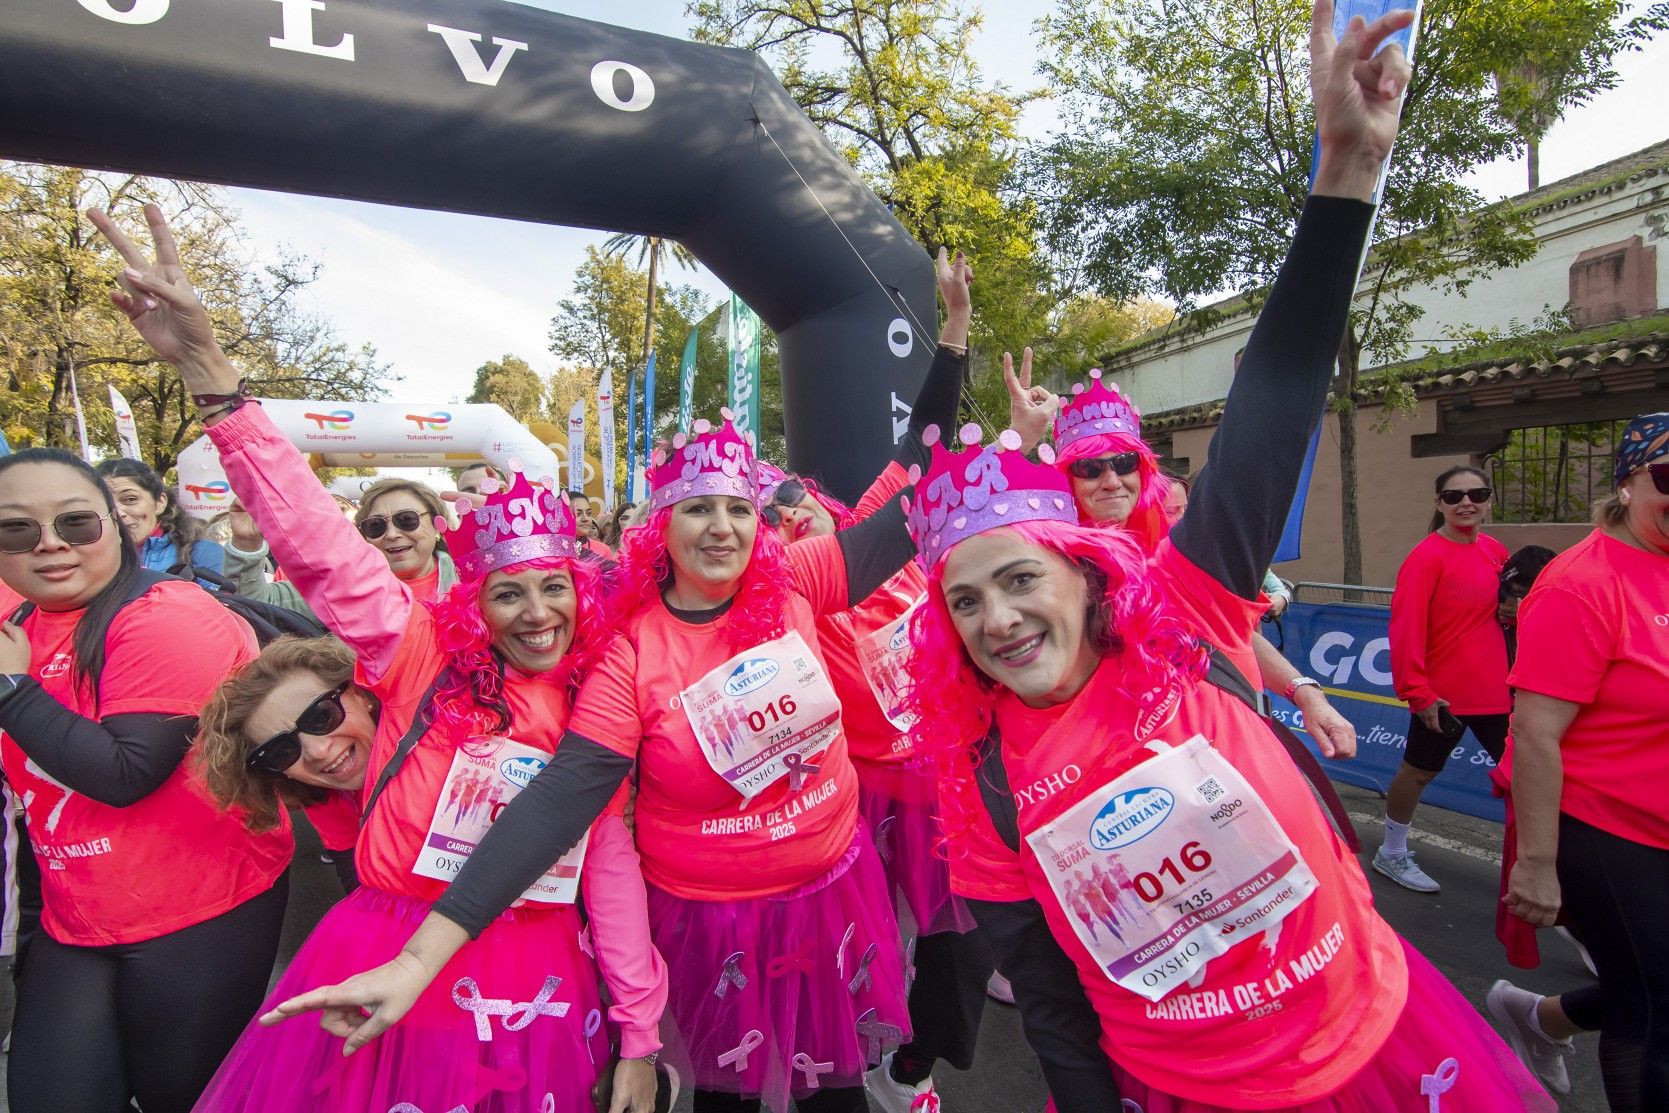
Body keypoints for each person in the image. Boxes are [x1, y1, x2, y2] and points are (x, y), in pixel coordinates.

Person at [899, 8, 1550, 1108]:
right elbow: (1053, 1003)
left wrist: (1344, 178)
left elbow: (1273, 408)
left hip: (1369, 1038)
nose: (997, 618)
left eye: (1019, 580)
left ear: (1086, 571)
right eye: (964, 603)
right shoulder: (981, 782)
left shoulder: (1182, 610)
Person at [262, 253, 973, 1113]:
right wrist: (420, 957)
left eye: (737, 507)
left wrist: (954, 343)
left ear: (759, 522)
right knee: (725, 1101)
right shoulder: (628, 652)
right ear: (658, 532)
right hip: (711, 920)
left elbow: (920, 479)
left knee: (835, 1097)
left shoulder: (799, 583)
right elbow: (564, 797)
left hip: (828, 889)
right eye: (696, 508)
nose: (720, 525)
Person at [89, 203, 666, 1113]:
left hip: (532, 966)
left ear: (581, 589)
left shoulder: (604, 698)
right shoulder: (419, 647)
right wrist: (211, 376)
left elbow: (609, 863)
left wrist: (640, 1030)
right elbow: (315, 540)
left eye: (553, 586)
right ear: (470, 597)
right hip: (382, 943)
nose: (535, 611)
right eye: (508, 591)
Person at [757, 252, 989, 1113]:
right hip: (850, 793)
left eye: (800, 503)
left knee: (962, 950)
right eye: (772, 515)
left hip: (936, 776)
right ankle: (850, 1068)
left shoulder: (872, 532)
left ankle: (914, 1070)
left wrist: (954, 327)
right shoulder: (774, 595)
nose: (791, 517)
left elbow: (923, 442)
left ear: (828, 507)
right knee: (858, 950)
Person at [0, 447, 293, 1113]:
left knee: (186, 1099)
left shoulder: (169, 615)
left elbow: (125, 772)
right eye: (17, 529)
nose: (50, 544)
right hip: (76, 914)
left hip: (200, 911)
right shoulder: (19, 623)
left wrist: (11, 690)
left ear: (117, 523)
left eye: (75, 523)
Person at [1500, 412, 1669, 1113]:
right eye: (1667, 475)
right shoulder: (1582, 584)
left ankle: (1540, 1018)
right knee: (1652, 1001)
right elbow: (1535, 731)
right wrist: (1535, 861)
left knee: (1649, 979)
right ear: (1627, 483)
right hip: (1601, 822)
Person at [1378, 464, 1509, 893]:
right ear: (1439, 504)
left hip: (1495, 692)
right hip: (1443, 697)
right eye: (1454, 496)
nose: (1466, 502)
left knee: (1526, 779)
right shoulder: (1426, 557)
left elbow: (1507, 613)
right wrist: (1418, 693)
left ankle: (1534, 872)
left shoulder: (1495, 552)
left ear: (1489, 501)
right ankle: (1392, 853)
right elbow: (1406, 628)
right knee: (1418, 772)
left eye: (1476, 494)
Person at [195, 634, 374, 893]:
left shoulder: (442, 748)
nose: (318, 751)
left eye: (321, 716)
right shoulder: (324, 793)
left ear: (360, 693)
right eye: (281, 751)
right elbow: (359, 881)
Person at [97, 455, 225, 577]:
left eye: (130, 499)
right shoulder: (90, 559)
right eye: (106, 502)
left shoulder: (203, 553)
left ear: (160, 502)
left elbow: (220, 599)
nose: (118, 512)